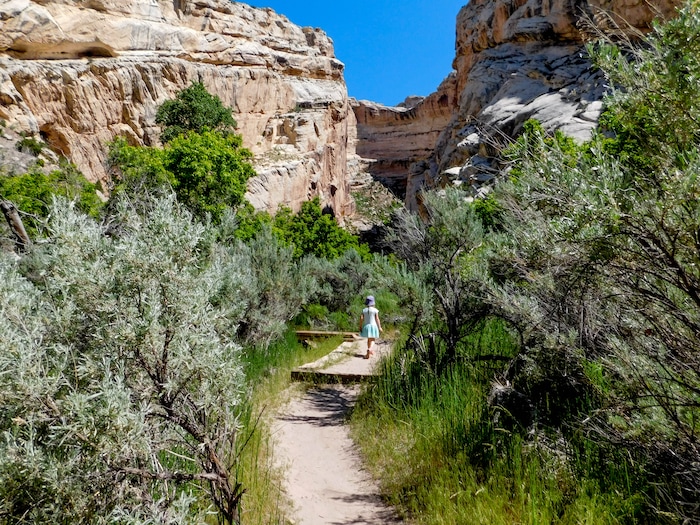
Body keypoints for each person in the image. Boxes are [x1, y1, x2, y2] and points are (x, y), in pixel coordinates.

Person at [359, 295, 382, 359]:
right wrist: (379, 327)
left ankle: (367, 354)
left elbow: (361, 318)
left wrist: (360, 326)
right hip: (373, 326)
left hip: (366, 326)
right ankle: (370, 349)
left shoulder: (364, 310)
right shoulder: (375, 310)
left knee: (369, 339)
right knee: (373, 339)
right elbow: (377, 319)